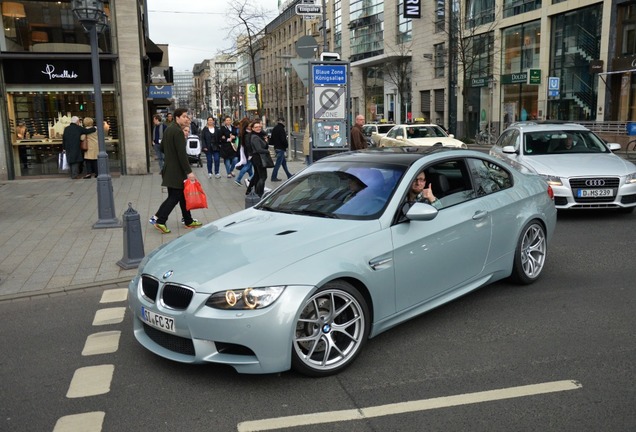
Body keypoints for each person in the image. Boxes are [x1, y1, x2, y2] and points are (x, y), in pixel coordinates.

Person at [151, 108, 202, 234]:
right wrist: (189, 171)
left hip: (169, 168)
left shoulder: (169, 129)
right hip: (176, 171)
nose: (187, 119)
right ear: (177, 117)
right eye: (184, 116)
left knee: (182, 196)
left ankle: (188, 220)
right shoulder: (178, 131)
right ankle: (160, 220)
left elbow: (162, 147)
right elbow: (182, 155)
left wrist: (170, 155)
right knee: (174, 197)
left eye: (187, 116)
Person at [246, 120, 269, 197]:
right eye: (256, 127)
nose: (258, 128)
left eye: (259, 126)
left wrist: (266, 141)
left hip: (256, 158)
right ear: (252, 128)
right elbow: (259, 149)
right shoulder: (255, 137)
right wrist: (267, 151)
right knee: (263, 177)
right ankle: (259, 193)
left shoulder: (258, 135)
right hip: (259, 158)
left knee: (257, 175)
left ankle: (250, 190)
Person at [270, 117, 293, 181]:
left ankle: (288, 175)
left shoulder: (275, 128)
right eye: (284, 121)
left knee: (284, 163)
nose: (285, 123)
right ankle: (273, 177)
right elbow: (283, 139)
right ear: (282, 121)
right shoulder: (281, 129)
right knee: (278, 164)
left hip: (277, 147)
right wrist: (286, 145)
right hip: (281, 148)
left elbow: (271, 139)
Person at [235, 117, 253, 187]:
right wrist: (250, 154)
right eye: (249, 126)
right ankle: (238, 179)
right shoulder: (246, 134)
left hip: (245, 151)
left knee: (249, 166)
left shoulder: (243, 132)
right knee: (247, 165)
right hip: (248, 152)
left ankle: (252, 177)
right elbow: (248, 145)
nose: (250, 127)